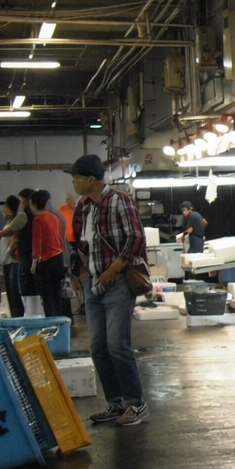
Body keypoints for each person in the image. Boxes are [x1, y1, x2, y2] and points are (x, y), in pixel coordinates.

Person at [67, 154, 151, 427]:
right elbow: (82, 244)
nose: (73, 182)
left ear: (90, 179)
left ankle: (136, 403)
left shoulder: (119, 200)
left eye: (76, 177)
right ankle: (115, 403)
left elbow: (136, 239)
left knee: (117, 346)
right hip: (93, 284)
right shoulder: (82, 207)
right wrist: (82, 276)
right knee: (98, 348)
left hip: (117, 285)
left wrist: (112, 270)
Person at [28, 189, 68, 318]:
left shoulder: (38, 219)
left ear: (33, 204)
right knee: (56, 295)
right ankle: (60, 322)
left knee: (47, 297)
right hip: (58, 259)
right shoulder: (54, 217)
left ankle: (51, 325)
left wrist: (34, 264)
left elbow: (37, 243)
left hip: (46, 262)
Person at [0, 195, 26, 318]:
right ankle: (15, 317)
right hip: (7, 262)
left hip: (13, 261)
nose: (3, 209)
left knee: (14, 295)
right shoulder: (8, 220)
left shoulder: (17, 220)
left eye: (6, 206)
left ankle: (18, 318)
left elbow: (6, 234)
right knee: (10, 294)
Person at [16, 187, 43, 316]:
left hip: (28, 258)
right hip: (37, 260)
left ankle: (32, 322)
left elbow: (10, 230)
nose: (20, 203)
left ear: (27, 200)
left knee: (29, 295)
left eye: (21, 200)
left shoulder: (25, 215)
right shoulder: (43, 215)